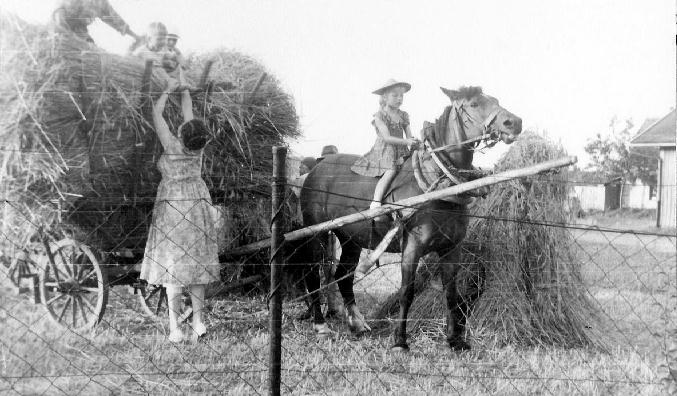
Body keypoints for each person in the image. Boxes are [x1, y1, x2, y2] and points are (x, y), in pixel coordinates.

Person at [140, 81, 220, 343]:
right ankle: (198, 322)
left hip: (173, 207)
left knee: (172, 267)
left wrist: (167, 90)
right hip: (197, 206)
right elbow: (191, 118)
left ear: (181, 134)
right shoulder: (199, 149)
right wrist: (185, 92)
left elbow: (156, 114)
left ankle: (175, 328)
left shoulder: (172, 146)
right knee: (197, 267)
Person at [351, 79, 420, 211]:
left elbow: (409, 135)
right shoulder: (380, 116)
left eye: (402, 96)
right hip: (385, 150)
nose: (399, 99)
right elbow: (387, 138)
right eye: (395, 95)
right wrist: (407, 141)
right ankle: (376, 202)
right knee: (391, 170)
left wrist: (414, 141)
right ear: (384, 97)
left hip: (402, 149)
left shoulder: (403, 115)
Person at [51, 0, 140, 44]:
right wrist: (66, 35)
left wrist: (135, 36)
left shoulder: (100, 3)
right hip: (61, 29)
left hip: (81, 32)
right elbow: (59, 14)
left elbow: (116, 20)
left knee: (92, 53)